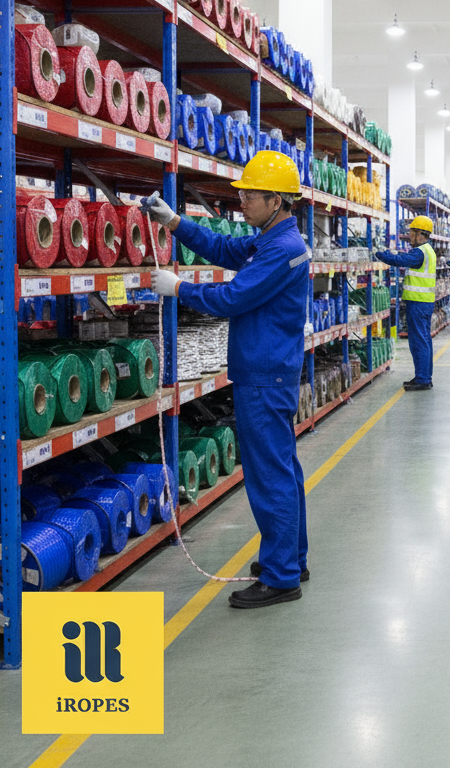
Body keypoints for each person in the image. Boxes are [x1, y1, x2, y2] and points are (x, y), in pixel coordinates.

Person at [143, 151, 311, 610]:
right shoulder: (270, 239)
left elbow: (234, 297)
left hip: (264, 374)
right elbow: (222, 249)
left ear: (275, 200)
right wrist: (176, 223)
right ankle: (291, 557)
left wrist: (178, 288)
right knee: (283, 467)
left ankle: (280, 577)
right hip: (268, 369)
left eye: (249, 196)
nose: (241, 203)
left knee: (268, 474)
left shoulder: (282, 251)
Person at [377, 215, 437, 391]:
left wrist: (384, 255)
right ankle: (423, 376)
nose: (409, 236)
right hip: (423, 303)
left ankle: (423, 379)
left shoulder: (420, 252)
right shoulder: (428, 251)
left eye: (411, 233)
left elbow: (402, 260)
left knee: (419, 341)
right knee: (424, 340)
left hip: (418, 304)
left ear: (420, 234)